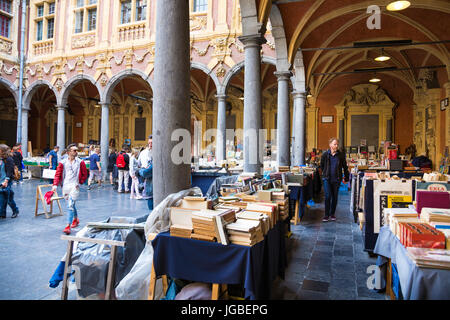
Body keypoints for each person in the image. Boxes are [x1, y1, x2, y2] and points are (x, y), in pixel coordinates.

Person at [52, 144, 88, 235]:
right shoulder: (63, 162)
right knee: (70, 205)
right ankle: (76, 219)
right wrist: (55, 185)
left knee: (70, 205)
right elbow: (58, 174)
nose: (76, 152)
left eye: (76, 150)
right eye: (74, 150)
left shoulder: (80, 162)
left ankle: (68, 225)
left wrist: (80, 183)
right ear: (68, 152)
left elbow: (85, 174)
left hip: (74, 186)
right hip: (65, 186)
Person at [319, 137, 349, 222]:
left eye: (337, 144)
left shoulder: (340, 155)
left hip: (336, 179)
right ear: (330, 145)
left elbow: (345, 167)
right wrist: (324, 173)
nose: (336, 146)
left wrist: (346, 177)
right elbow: (322, 165)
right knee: (328, 196)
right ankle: (326, 215)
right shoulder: (325, 154)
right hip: (327, 178)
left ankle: (332, 214)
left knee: (334, 197)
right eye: (334, 144)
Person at [0, 144, 19, 219]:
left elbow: (10, 171)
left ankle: (15, 210)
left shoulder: (9, 159)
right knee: (3, 197)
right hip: (1, 180)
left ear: (2, 150)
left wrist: (6, 180)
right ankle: (2, 213)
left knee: (8, 199)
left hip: (6, 180)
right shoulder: (1, 159)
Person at [138, 136, 153, 202]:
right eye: (149, 143)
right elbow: (139, 164)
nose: (150, 145)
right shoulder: (143, 152)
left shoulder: (157, 153)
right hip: (148, 180)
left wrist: (141, 171)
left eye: (152, 143)